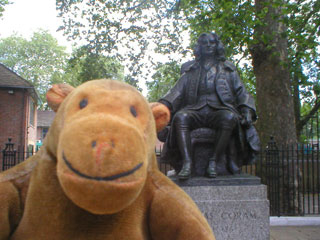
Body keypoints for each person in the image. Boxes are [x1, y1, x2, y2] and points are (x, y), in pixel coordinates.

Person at [158, 32, 259, 179]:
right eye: (204, 43)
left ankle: (214, 161)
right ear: (199, 47)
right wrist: (160, 108)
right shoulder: (190, 70)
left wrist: (247, 110)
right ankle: (187, 163)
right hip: (195, 110)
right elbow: (175, 93)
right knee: (180, 117)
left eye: (212, 43)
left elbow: (241, 92)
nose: (208, 46)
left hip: (218, 110)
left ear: (217, 46)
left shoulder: (228, 69)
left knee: (229, 117)